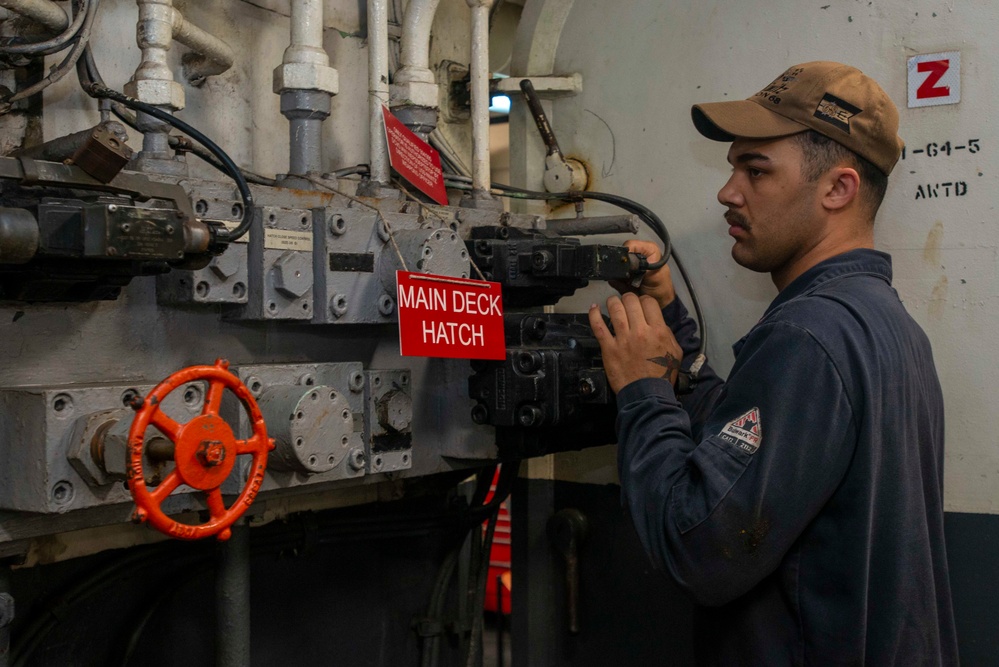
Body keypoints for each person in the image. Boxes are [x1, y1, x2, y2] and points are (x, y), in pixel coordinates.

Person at [588, 61, 958, 664]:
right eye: (734, 166)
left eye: (755, 170)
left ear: (837, 189)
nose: (727, 191)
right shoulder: (882, 324)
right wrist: (675, 331)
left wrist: (642, 393)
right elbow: (754, 453)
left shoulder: (806, 337)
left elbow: (698, 549)